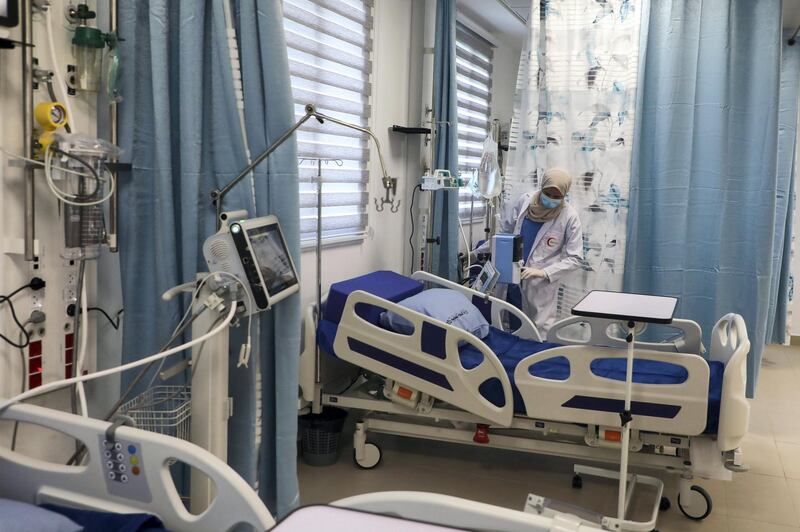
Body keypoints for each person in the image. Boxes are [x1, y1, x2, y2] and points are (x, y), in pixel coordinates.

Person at [493, 168, 583, 335]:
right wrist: (484, 251)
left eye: (557, 197)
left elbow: (575, 258)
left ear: (564, 195)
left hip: (538, 283)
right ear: (542, 187)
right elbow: (506, 232)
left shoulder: (569, 216)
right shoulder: (525, 202)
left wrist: (543, 273)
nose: (551, 199)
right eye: (548, 193)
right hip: (510, 275)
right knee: (505, 321)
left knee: (537, 330)